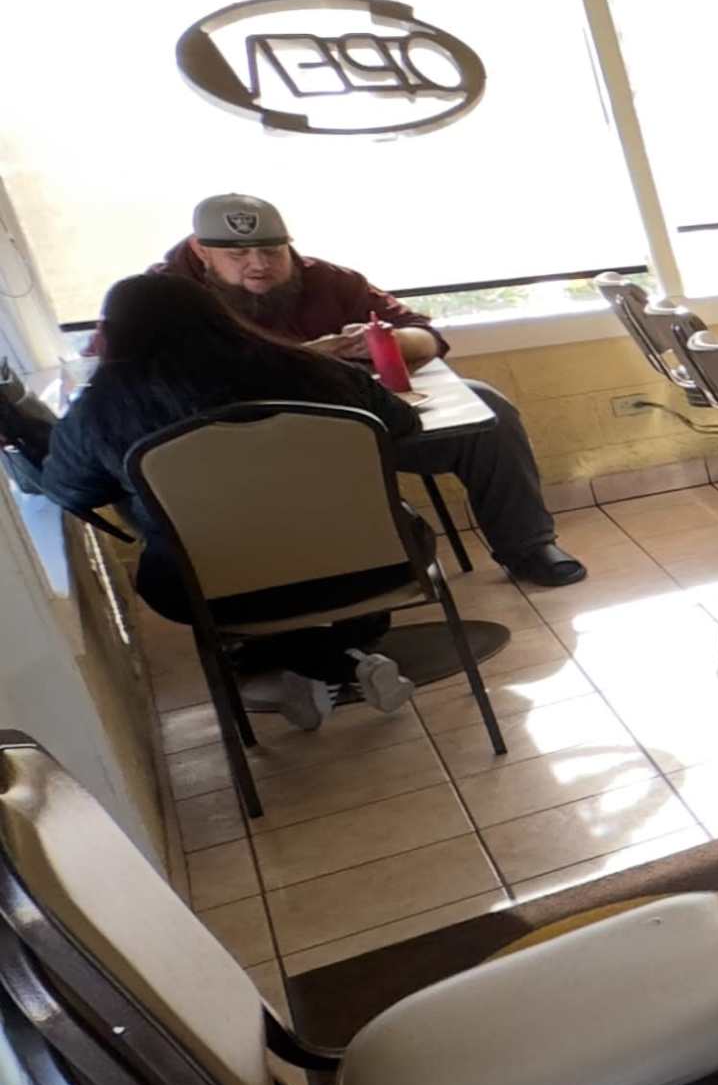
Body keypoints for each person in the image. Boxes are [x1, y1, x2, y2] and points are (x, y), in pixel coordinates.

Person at [43, 274, 432, 730]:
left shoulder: (100, 409)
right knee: (334, 555)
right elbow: (402, 425)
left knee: (181, 577)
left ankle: (315, 663)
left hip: (212, 591)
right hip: (378, 565)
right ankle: (343, 656)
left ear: (111, 331)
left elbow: (70, 490)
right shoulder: (314, 369)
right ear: (218, 312)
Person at [156, 194, 585, 587]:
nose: (258, 264)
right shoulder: (160, 296)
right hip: (243, 450)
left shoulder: (329, 280)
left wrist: (389, 343)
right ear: (201, 250)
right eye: (238, 254)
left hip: (364, 427)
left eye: (271, 250)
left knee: (486, 407)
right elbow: (155, 385)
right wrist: (306, 358)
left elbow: (426, 336)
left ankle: (528, 547)